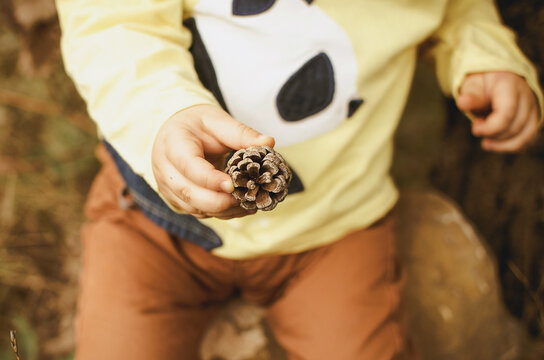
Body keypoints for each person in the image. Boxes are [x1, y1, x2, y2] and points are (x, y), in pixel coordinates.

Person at [56, 0, 542, 359]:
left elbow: (458, 8)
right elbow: (111, 22)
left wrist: (484, 55)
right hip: (154, 226)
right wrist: (161, 114)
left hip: (336, 228)